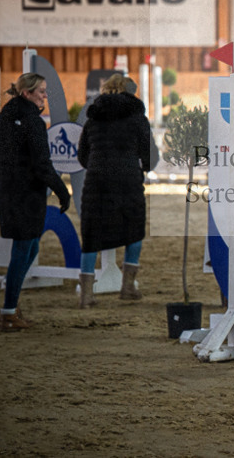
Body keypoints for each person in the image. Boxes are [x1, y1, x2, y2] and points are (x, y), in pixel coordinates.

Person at [0, 73, 71, 332]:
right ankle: (8, 311)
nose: (45, 95)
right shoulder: (34, 122)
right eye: (41, 91)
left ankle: (12, 305)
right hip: (28, 197)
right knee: (24, 251)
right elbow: (42, 165)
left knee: (30, 249)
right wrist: (62, 191)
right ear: (27, 93)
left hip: (7, 192)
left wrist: (12, 168)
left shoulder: (2, 118)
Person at [76, 73, 159, 308]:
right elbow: (150, 156)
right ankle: (128, 287)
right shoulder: (137, 118)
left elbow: (82, 156)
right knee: (134, 229)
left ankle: (86, 295)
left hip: (96, 182)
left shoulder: (93, 118)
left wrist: (98, 166)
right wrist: (142, 166)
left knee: (91, 235)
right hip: (127, 181)